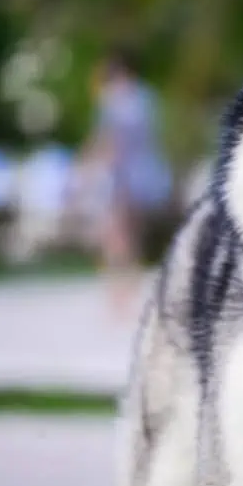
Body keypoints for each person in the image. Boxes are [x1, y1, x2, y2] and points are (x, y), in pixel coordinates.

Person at [79, 49, 171, 321]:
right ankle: (127, 293)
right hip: (146, 172)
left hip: (122, 176)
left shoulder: (112, 101)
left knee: (116, 236)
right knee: (132, 235)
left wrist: (87, 169)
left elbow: (105, 140)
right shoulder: (147, 98)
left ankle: (118, 295)